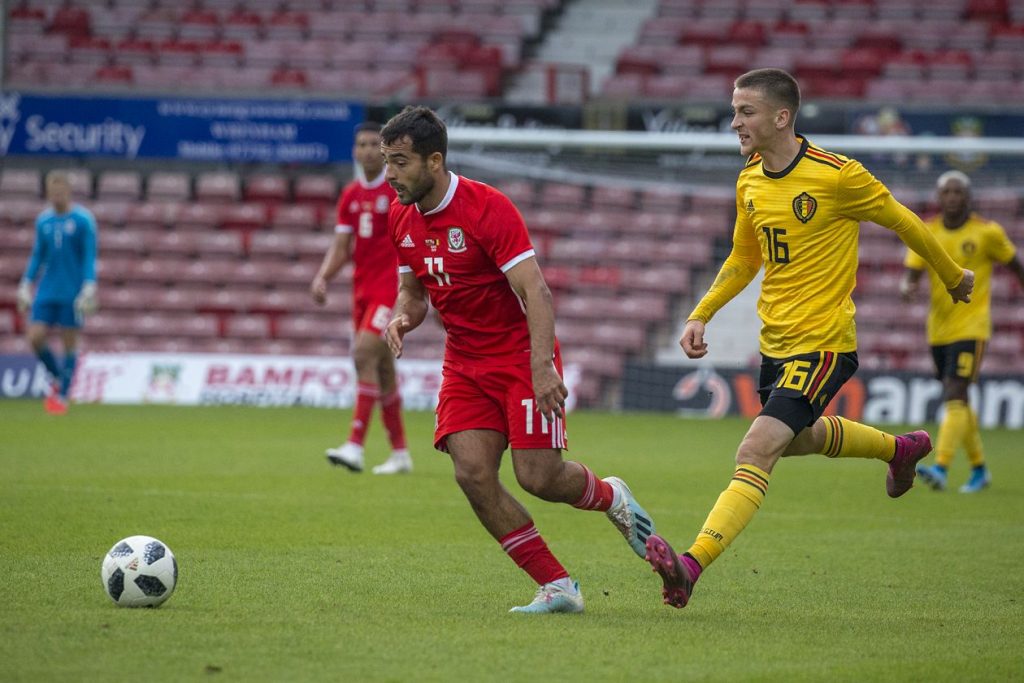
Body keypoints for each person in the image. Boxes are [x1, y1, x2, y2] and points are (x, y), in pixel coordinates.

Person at [643, 69, 975, 610]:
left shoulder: (838, 176)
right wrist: (701, 312)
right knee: (799, 438)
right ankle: (902, 449)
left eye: (745, 112)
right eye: (733, 112)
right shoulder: (749, 178)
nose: (735, 123)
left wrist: (951, 274)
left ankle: (690, 565)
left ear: (782, 116)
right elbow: (744, 258)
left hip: (824, 343)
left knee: (755, 448)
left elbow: (906, 222)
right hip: (775, 343)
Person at [380, 105, 655, 614]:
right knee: (472, 474)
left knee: (539, 477)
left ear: (434, 161)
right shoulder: (399, 216)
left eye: (399, 162)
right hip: (463, 363)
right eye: (386, 161)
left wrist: (543, 366)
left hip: (519, 356)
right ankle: (557, 586)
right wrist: (402, 318)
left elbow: (537, 291)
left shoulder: (488, 208)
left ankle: (611, 495)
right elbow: (412, 294)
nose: (389, 174)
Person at [901, 171, 1024, 494]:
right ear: (939, 198)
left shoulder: (988, 233)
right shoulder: (927, 231)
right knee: (960, 399)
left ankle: (941, 466)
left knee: (954, 392)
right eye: (947, 192)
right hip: (938, 329)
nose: (952, 198)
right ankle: (980, 469)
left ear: (968, 197)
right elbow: (912, 273)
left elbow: (1016, 266)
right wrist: (907, 287)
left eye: (958, 192)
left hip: (972, 326)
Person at [312, 122, 412, 475]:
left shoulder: (397, 192)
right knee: (383, 370)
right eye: (362, 144)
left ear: (383, 152)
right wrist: (324, 277)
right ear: (354, 151)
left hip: (390, 291)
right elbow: (341, 248)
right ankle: (400, 453)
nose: (368, 150)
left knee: (362, 353)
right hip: (362, 292)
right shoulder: (351, 196)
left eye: (374, 144)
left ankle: (354, 445)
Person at [16, 170, 98, 415]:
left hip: (73, 290)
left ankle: (62, 396)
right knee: (35, 336)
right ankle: (58, 377)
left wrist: (89, 284)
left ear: (69, 192)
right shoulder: (43, 221)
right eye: (53, 192)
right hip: (47, 289)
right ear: (48, 192)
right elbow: (38, 254)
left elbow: (89, 255)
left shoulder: (83, 220)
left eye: (61, 191)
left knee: (69, 342)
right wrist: (26, 282)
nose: (57, 196)